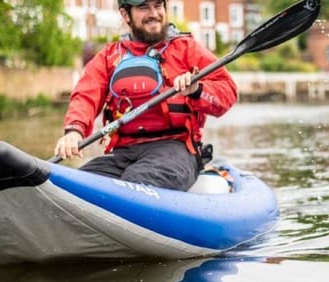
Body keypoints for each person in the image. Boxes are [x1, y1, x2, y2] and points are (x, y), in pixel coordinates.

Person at [54, 0, 237, 191]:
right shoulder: (109, 56)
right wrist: (74, 131)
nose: (154, 13)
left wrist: (197, 90)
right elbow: (85, 95)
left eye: (158, 5)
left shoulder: (187, 49)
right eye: (143, 7)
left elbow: (227, 92)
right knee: (77, 183)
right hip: (123, 152)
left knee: (137, 180)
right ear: (126, 15)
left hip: (176, 149)